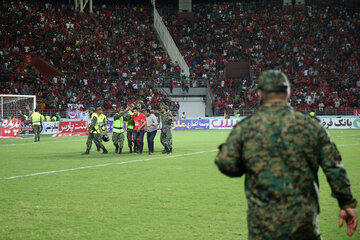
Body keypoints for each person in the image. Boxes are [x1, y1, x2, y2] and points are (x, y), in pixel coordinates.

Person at [215, 70, 357, 240]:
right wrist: (346, 203)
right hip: (303, 224)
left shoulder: (246, 128)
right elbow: (334, 168)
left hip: (262, 226)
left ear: (259, 94)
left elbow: (227, 164)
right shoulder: (311, 126)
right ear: (288, 93)